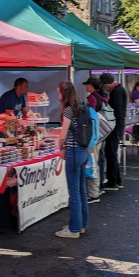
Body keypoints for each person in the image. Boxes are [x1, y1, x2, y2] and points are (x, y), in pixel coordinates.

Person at [55, 82, 89, 238]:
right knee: (82, 190)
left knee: (74, 192)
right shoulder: (82, 106)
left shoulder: (68, 110)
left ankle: (74, 228)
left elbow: (63, 134)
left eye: (59, 93)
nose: (58, 96)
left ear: (64, 93)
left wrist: (60, 147)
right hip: (83, 151)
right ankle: (81, 224)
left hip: (73, 152)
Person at [83, 77, 110, 203]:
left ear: (91, 85)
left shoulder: (92, 98)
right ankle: (99, 187)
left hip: (93, 135)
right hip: (101, 133)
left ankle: (93, 193)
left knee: (92, 163)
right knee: (99, 161)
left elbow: (90, 117)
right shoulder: (102, 96)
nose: (85, 87)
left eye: (87, 85)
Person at [100, 73, 126, 191]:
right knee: (112, 152)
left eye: (105, 86)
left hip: (115, 125)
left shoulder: (116, 92)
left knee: (110, 152)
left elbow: (116, 110)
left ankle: (113, 180)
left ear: (107, 84)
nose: (105, 88)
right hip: (118, 124)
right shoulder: (120, 89)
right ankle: (116, 179)